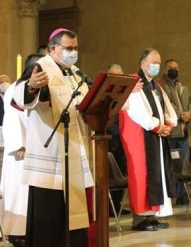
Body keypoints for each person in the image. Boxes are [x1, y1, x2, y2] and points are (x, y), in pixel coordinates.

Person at [13, 28, 94, 246]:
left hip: (74, 151)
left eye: (75, 48)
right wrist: (31, 86)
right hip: (49, 156)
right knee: (49, 217)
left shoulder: (75, 73)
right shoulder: (39, 67)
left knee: (73, 217)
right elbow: (18, 96)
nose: (73, 52)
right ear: (53, 48)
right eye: (68, 48)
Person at [119, 48, 177, 231]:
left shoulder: (155, 85)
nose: (156, 66)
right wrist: (158, 126)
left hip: (155, 136)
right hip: (139, 137)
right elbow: (136, 112)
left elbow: (167, 107)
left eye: (158, 63)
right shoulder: (134, 83)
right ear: (143, 63)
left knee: (156, 175)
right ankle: (140, 219)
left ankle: (152, 216)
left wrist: (169, 123)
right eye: (153, 63)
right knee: (141, 176)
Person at [0, 54, 43, 247]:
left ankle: (29, 230)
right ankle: (18, 233)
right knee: (19, 194)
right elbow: (12, 118)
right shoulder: (17, 89)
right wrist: (21, 143)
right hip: (21, 151)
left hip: (34, 150)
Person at [156, 59, 191, 205]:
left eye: (176, 68)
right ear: (165, 70)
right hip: (171, 130)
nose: (174, 70)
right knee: (170, 164)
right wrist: (179, 114)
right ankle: (171, 193)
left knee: (183, 163)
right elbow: (166, 104)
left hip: (184, 131)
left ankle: (182, 194)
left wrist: (189, 113)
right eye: (171, 68)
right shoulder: (160, 85)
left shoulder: (182, 85)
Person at [105, 63, 129, 215]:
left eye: (120, 75)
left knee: (122, 168)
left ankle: (118, 204)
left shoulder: (126, 91)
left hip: (124, 136)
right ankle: (107, 206)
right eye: (115, 75)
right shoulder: (105, 92)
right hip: (110, 137)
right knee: (110, 172)